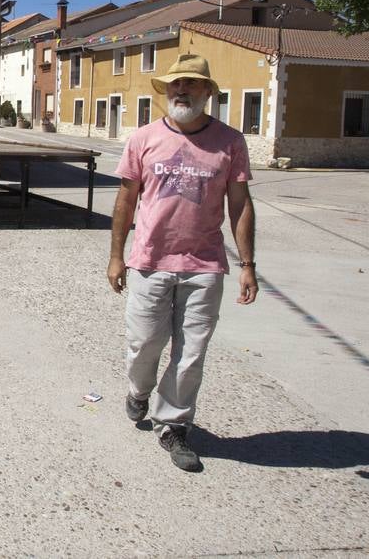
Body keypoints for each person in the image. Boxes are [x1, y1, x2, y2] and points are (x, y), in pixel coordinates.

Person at [106, 53, 257, 472]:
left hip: (205, 265)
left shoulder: (230, 142)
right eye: (176, 84)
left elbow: (241, 205)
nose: (182, 90)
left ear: (208, 92)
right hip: (150, 260)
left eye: (192, 83)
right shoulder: (143, 138)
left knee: (190, 353)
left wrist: (247, 264)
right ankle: (139, 392)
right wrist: (117, 256)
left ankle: (174, 424)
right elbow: (125, 200)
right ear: (166, 91)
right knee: (145, 345)